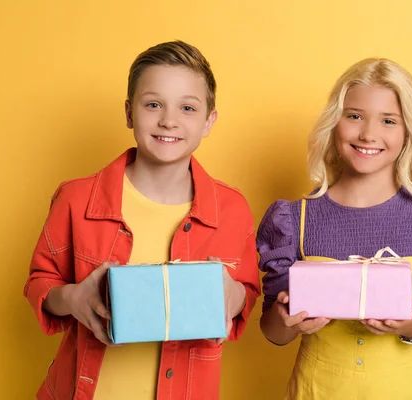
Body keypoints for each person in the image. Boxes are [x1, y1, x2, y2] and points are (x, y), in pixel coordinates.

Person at [24, 40, 260, 400]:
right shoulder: (75, 199)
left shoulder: (233, 209)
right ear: (130, 112)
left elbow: (248, 293)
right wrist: (72, 298)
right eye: (153, 104)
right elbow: (40, 282)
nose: (169, 120)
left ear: (209, 121)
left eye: (187, 108)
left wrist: (237, 295)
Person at [257, 58, 412, 399]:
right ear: (334, 123)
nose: (368, 134)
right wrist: (287, 319)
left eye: (388, 121)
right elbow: (273, 332)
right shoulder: (293, 220)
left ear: (408, 131)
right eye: (354, 116)